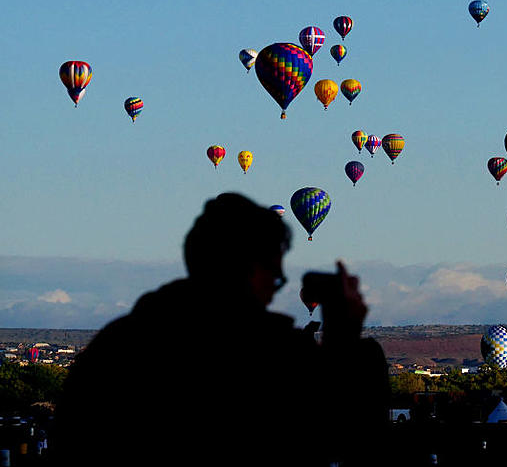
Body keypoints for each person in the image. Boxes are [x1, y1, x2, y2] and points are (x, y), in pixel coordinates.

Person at [53, 193, 389, 466]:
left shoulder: (117, 343)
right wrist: (345, 336)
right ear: (246, 270)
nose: (274, 291)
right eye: (273, 276)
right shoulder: (271, 352)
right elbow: (351, 438)